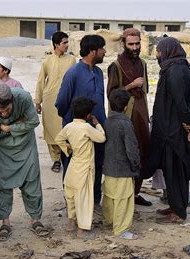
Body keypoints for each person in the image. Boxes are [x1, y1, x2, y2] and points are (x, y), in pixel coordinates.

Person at [0, 83, 49, 241]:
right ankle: (5, 223)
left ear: (13, 100)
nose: (4, 114)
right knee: (0, 185)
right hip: (1, 150)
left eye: (8, 110)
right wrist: (19, 123)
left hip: (26, 147)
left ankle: (36, 220)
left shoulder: (24, 98)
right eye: (0, 112)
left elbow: (33, 122)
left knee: (32, 182)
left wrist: (8, 127)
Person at [144, 37, 190, 224]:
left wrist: (189, 124)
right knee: (173, 170)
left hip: (172, 131)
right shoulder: (179, 68)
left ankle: (179, 213)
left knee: (175, 170)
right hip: (171, 128)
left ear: (167, 51)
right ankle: (176, 206)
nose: (158, 54)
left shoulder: (175, 71)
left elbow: (181, 103)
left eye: (159, 51)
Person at [55, 34, 107, 208]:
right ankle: (74, 205)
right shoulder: (73, 73)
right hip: (77, 133)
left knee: (97, 165)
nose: (105, 52)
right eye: (102, 49)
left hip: (97, 129)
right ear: (93, 51)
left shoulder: (99, 72)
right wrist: (72, 123)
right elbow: (61, 102)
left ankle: (94, 202)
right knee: (73, 166)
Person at [107, 28, 151, 207]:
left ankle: (135, 193)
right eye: (131, 44)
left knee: (141, 153)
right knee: (124, 154)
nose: (134, 47)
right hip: (124, 118)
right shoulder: (115, 66)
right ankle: (122, 196)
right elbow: (111, 94)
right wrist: (131, 85)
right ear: (124, 44)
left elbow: (145, 91)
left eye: (137, 44)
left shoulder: (142, 64)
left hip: (141, 115)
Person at [55, 97, 105, 239]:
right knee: (84, 198)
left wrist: (68, 149)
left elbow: (59, 139)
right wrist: (98, 125)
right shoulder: (87, 128)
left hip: (73, 165)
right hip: (85, 168)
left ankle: (71, 222)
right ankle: (82, 229)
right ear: (88, 115)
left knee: (70, 195)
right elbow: (101, 138)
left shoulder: (69, 126)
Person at [35, 31, 76, 173]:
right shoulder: (47, 61)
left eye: (67, 42)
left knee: (65, 129)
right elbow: (41, 81)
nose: (67, 45)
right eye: (64, 43)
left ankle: (67, 157)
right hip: (49, 100)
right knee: (51, 131)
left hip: (67, 100)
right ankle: (56, 160)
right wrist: (37, 101)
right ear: (56, 45)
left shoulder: (71, 60)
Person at [102, 89, 140, 240]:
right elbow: (131, 149)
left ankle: (108, 221)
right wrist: (135, 165)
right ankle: (121, 229)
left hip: (109, 166)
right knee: (123, 199)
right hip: (123, 168)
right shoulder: (126, 123)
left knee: (109, 196)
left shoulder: (106, 121)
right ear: (125, 107)